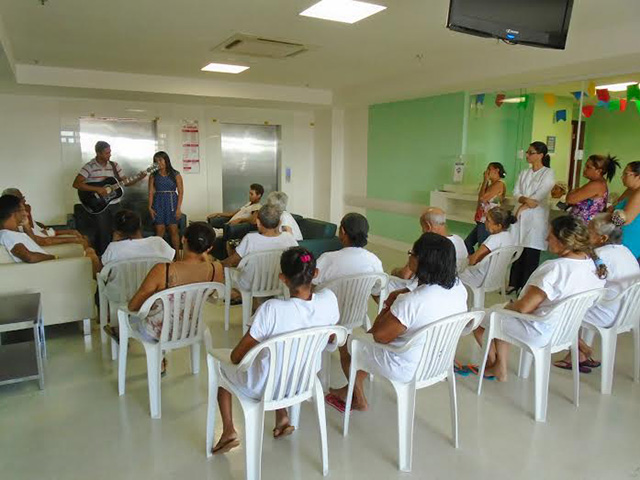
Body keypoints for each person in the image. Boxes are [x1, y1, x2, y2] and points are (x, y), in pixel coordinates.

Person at [211, 247, 340, 454]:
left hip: (266, 386)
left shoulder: (272, 310)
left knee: (222, 372)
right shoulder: (329, 300)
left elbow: (237, 356)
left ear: (283, 278)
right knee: (278, 363)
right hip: (304, 380)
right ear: (315, 273)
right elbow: (333, 339)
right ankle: (282, 417)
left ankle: (228, 431)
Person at [327, 233, 468, 411]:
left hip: (406, 366)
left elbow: (379, 336)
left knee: (349, 343)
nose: (409, 257)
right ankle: (349, 388)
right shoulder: (458, 288)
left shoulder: (413, 301)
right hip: (439, 359)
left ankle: (358, 398)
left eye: (412, 253)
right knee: (365, 346)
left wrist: (388, 306)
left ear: (421, 261)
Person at [476, 215, 606, 382]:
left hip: (539, 330)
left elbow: (524, 308)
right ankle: (498, 366)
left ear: (563, 241)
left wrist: (508, 306)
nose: (546, 239)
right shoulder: (592, 265)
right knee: (501, 311)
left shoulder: (556, 268)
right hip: (566, 330)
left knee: (481, 317)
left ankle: (497, 366)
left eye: (550, 235)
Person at [122, 223, 224, 373]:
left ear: (183, 239)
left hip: (158, 332)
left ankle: (120, 333)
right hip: (191, 328)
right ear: (209, 249)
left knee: (128, 315)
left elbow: (133, 306)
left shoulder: (163, 270)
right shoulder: (216, 269)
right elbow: (212, 294)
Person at [554, 213, 640, 371]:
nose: (586, 232)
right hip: (629, 312)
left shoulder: (601, 256)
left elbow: (581, 285)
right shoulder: (625, 251)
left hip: (609, 314)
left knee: (563, 308)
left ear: (603, 238)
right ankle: (580, 351)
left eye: (591, 229)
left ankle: (578, 351)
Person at [72, 141, 146, 255]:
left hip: (115, 204)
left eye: (110, 152)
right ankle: (103, 258)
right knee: (103, 233)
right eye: (107, 153)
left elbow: (125, 182)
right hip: (99, 205)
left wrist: (138, 178)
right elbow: (77, 184)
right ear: (98, 153)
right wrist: (96, 189)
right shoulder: (89, 166)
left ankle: (119, 255)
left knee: (119, 231)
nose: (109, 155)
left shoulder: (114, 166)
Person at [508, 141, 556, 294]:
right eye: (527, 152)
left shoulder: (548, 173)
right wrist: (523, 201)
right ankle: (513, 283)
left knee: (531, 253)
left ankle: (526, 287)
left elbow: (539, 198)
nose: (527, 155)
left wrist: (522, 206)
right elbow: (516, 193)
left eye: (531, 153)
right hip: (521, 217)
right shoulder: (524, 173)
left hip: (536, 219)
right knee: (517, 251)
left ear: (541, 155)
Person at [388, 207, 467, 293]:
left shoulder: (427, 246)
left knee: (380, 285)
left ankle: (386, 306)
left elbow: (405, 275)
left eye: (422, 227)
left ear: (428, 226)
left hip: (420, 288)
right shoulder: (459, 240)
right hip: (450, 286)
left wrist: (395, 271)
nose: (422, 231)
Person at [222, 204, 298, 291]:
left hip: (252, 285)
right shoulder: (289, 238)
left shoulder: (250, 239)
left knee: (230, 273)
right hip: (279, 283)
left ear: (258, 222)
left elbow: (233, 261)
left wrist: (220, 264)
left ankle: (240, 296)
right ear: (280, 222)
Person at [3, 188, 90, 249]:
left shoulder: (21, 214)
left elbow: (33, 227)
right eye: (21, 199)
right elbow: (39, 240)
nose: (24, 200)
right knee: (81, 239)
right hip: (41, 236)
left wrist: (41, 225)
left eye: (23, 197)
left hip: (41, 233)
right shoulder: (14, 226)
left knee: (80, 236)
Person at [313, 213, 383, 287]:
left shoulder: (328, 258)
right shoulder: (374, 260)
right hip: (360, 298)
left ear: (343, 231)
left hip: (330, 298)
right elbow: (378, 292)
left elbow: (308, 285)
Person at [459, 206, 517, 288]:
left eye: (488, 220)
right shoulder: (510, 237)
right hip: (496, 279)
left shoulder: (493, 239)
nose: (485, 222)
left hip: (479, 279)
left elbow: (473, 261)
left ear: (498, 226)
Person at [101, 209, 176, 266]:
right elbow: (171, 264)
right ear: (140, 225)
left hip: (123, 286)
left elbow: (105, 272)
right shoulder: (158, 242)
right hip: (158, 286)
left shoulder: (113, 249)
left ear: (117, 232)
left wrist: (114, 242)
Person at [464, 162, 507, 254]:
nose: (486, 171)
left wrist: (485, 180)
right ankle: (472, 262)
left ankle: (480, 264)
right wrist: (485, 182)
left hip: (488, 220)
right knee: (468, 243)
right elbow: (480, 198)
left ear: (496, 170)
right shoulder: (490, 185)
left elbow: (483, 198)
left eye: (489, 169)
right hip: (482, 219)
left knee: (482, 246)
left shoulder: (499, 184)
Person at [0, 194, 56, 263]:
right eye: (23, 210)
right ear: (14, 213)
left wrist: (27, 226)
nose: (27, 214)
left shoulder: (11, 233)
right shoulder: (7, 234)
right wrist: (53, 257)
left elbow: (34, 245)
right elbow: (29, 257)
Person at [564, 154, 619, 223]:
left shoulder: (596, 185)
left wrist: (574, 191)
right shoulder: (599, 183)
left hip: (584, 226)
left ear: (599, 171)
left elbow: (570, 199)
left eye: (588, 167)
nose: (584, 169)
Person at [148, 151, 183, 254]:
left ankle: (177, 255)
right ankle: (160, 255)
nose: (158, 163)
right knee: (160, 230)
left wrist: (178, 208)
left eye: (160, 160)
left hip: (172, 202)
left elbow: (181, 192)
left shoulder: (175, 174)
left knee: (173, 230)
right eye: (156, 161)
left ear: (166, 160)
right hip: (158, 202)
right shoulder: (153, 175)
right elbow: (150, 192)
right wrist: (149, 207)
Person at [612, 161, 640, 260]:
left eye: (625, 174)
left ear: (638, 176)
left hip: (629, 238)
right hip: (618, 235)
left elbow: (624, 219)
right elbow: (614, 207)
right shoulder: (630, 190)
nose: (622, 177)